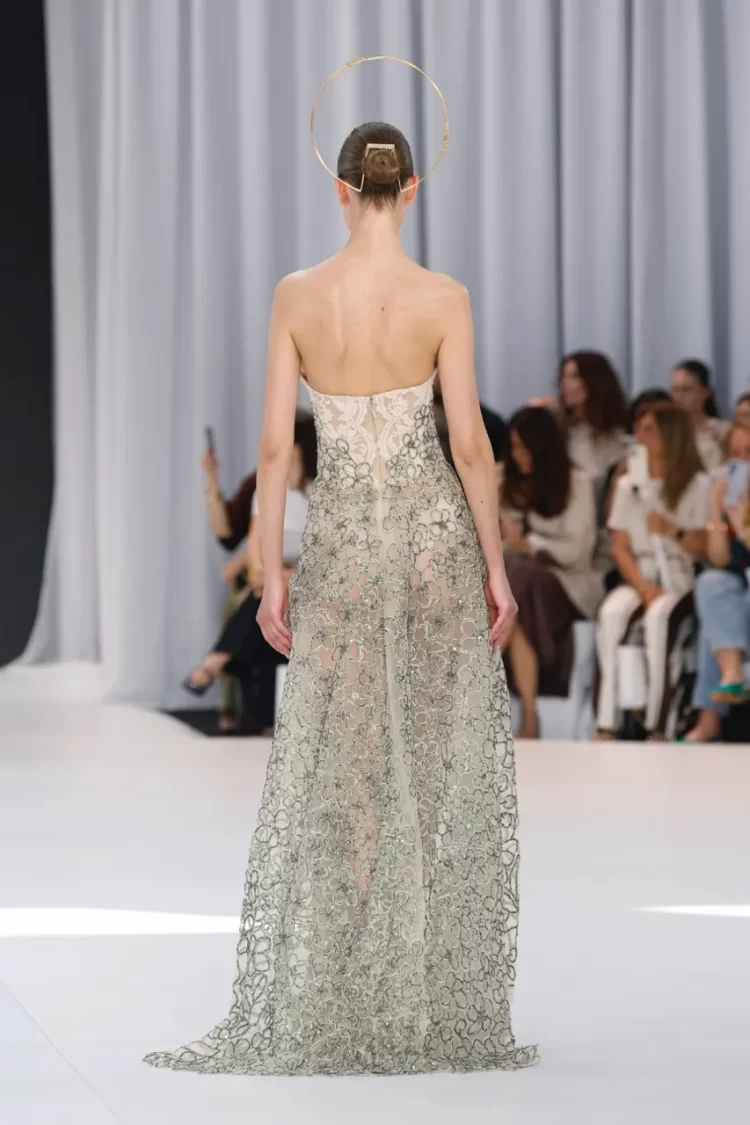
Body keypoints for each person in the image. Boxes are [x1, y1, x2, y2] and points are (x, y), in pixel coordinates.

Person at [145, 118, 538, 1076]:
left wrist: (270, 571)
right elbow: (471, 447)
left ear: (340, 187)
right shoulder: (443, 297)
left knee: (352, 764)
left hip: (348, 550)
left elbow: (276, 449)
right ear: (413, 190)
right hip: (433, 548)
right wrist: (495, 567)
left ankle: (357, 981)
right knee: (430, 760)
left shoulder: (298, 294)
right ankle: (417, 988)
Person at [184, 417, 317, 733]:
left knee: (263, 599)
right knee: (262, 597)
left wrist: (284, 575)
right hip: (270, 574)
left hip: (307, 575)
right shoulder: (263, 488)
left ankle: (216, 660)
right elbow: (240, 537)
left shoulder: (320, 492)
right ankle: (242, 692)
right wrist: (265, 573)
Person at [596, 403, 710, 740]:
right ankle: (607, 721)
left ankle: (658, 722)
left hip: (678, 574)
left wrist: (672, 530)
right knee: (611, 614)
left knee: (661, 618)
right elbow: (620, 546)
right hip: (640, 572)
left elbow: (705, 547)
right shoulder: (628, 485)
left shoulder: (698, 485)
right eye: (640, 429)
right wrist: (643, 587)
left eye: (650, 430)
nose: (641, 437)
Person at [499, 406, 602, 737]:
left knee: (520, 578)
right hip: (516, 582)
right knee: (516, 587)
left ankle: (487, 666)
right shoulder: (503, 480)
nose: (519, 456)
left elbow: (578, 552)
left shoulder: (575, 483)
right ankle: (530, 714)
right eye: (514, 447)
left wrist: (530, 544)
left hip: (567, 582)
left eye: (525, 448)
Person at [682, 420, 750, 742]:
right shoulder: (733, 495)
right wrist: (716, 512)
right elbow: (720, 558)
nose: (741, 461)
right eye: (735, 453)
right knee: (710, 583)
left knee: (718, 620)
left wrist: (745, 528)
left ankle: (709, 718)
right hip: (738, 583)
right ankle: (731, 672)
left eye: (748, 452)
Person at [670, 358, 730, 472]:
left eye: (686, 390)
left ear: (705, 393)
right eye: (675, 390)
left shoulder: (724, 430)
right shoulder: (667, 432)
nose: (679, 396)